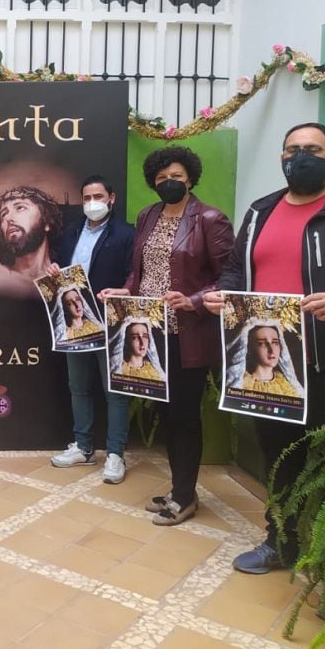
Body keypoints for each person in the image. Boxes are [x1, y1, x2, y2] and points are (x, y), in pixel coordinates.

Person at [203, 122, 325, 574]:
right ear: (282, 158)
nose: (301, 156)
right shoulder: (259, 212)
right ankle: (282, 541)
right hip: (268, 367)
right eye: (292, 149)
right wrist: (223, 296)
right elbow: (236, 270)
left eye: (312, 149)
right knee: (280, 456)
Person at [101, 146, 233, 526]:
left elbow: (229, 278)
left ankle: (185, 497)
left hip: (187, 334)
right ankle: (180, 489)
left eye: (175, 176)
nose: (168, 182)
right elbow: (139, 269)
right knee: (165, 414)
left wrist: (192, 300)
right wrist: (126, 290)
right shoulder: (148, 215)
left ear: (190, 177)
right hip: (150, 333)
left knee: (185, 416)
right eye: (161, 178)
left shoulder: (210, 219)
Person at [48, 175, 135, 483]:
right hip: (75, 323)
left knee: (115, 392)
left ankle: (115, 454)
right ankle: (84, 447)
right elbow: (59, 265)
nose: (92, 203)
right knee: (78, 386)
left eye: (97, 196)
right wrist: (54, 269)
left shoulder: (126, 234)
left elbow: (134, 276)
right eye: (86, 198)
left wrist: (123, 290)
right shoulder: (71, 232)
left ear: (111, 198)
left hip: (111, 323)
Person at [0, 185, 63, 299]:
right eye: (3, 214)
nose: (8, 218)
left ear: (47, 222)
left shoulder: (65, 283)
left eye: (20, 208)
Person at [229, 323, 303, 397]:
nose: (271, 350)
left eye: (275, 343)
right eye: (262, 343)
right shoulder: (241, 383)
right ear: (249, 349)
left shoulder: (287, 384)